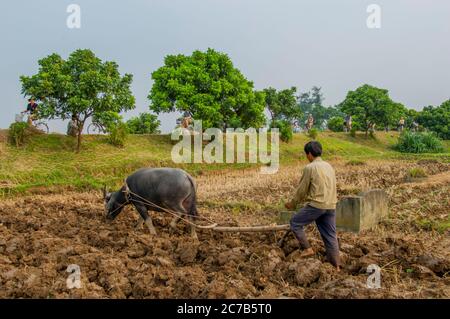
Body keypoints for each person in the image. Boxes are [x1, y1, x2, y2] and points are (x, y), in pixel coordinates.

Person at [284, 141, 340, 269]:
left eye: (306, 154)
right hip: (331, 205)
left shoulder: (310, 168)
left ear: (309, 154)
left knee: (295, 223)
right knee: (330, 236)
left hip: (317, 205)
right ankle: (336, 266)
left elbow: (302, 190)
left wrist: (292, 204)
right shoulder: (329, 166)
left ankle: (307, 249)